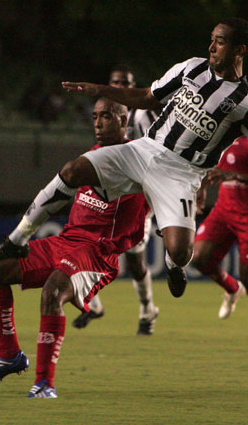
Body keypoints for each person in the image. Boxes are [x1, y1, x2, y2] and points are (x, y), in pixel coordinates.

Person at [0, 17, 248, 304]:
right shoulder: (191, 68)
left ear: (240, 49)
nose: (211, 46)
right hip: (144, 150)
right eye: (212, 38)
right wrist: (100, 90)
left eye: (221, 41)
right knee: (72, 171)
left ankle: (174, 267)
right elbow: (147, 97)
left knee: (180, 251)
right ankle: (15, 241)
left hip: (181, 173)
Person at [0, 97, 149, 398]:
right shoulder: (90, 158)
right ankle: (9, 355)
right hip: (66, 242)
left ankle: (44, 383)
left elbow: (172, 185)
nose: (97, 123)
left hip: (98, 253)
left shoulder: (141, 160)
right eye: (95, 116)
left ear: (124, 121)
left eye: (106, 116)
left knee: (53, 291)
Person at [72, 65, 161, 335]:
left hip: (136, 192)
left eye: (125, 83)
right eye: (115, 82)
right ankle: (93, 305)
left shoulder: (144, 113)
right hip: (109, 187)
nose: (120, 87)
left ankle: (148, 309)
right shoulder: (105, 109)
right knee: (87, 245)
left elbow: (156, 151)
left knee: (134, 258)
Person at [191, 135, 248, 339]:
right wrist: (202, 188)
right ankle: (232, 289)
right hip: (223, 209)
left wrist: (235, 175)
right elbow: (209, 169)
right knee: (198, 257)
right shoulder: (220, 135)